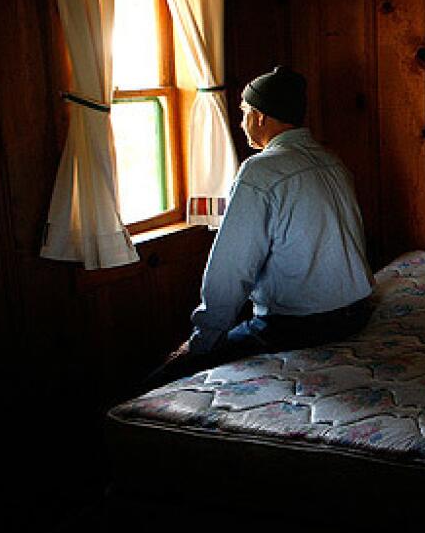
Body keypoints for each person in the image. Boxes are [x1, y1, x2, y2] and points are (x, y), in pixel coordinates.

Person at [145, 65, 373, 387]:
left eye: (243, 113)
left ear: (261, 117)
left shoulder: (261, 172)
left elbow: (231, 268)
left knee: (164, 377)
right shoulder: (330, 161)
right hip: (356, 314)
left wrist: (202, 340)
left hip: (303, 326)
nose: (241, 123)